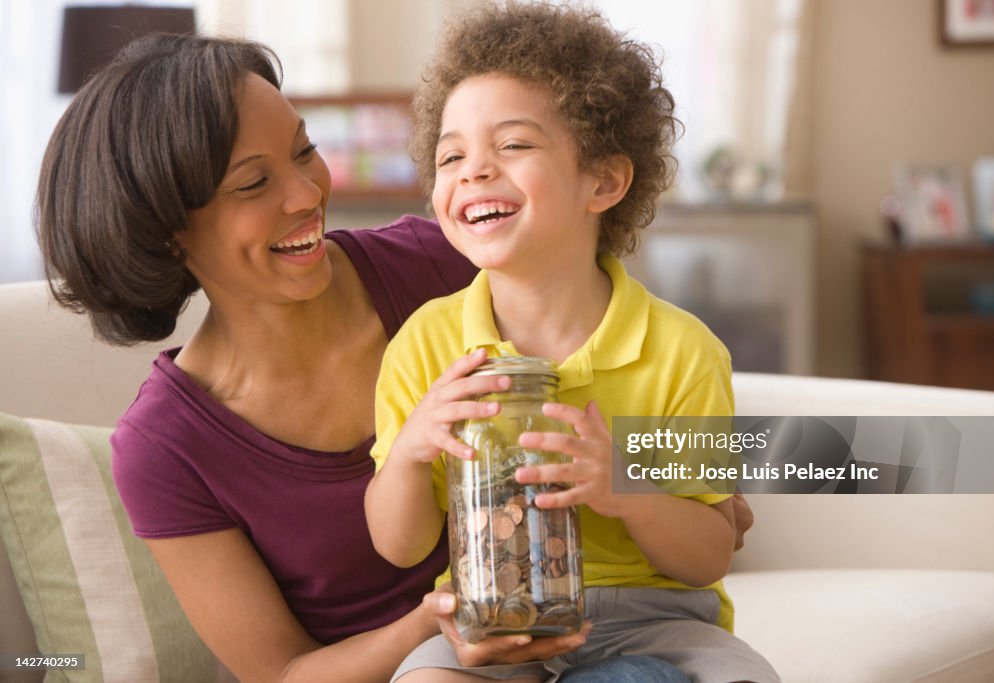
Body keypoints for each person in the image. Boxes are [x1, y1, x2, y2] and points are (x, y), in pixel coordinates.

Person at [34, 32, 744, 683]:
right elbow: (285, 674)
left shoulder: (452, 258)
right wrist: (436, 624)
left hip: (624, 607)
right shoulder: (166, 447)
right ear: (166, 235)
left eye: (305, 152)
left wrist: (682, 478)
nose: (310, 194)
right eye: (254, 183)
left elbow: (708, 440)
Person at [364, 3, 779, 682]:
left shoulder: (681, 351)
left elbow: (707, 555)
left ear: (604, 181)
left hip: (655, 617)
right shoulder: (425, 344)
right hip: (491, 617)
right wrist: (412, 448)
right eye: (451, 154)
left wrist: (621, 485)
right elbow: (397, 543)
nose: (472, 170)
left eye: (513, 145)